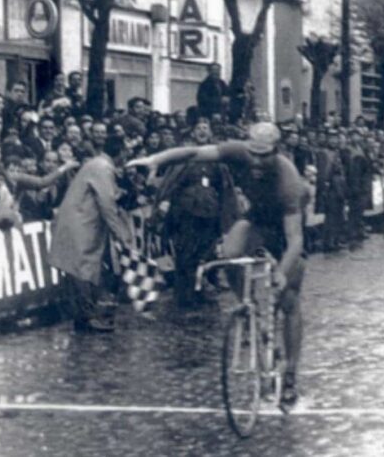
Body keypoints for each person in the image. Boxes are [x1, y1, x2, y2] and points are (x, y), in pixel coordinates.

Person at [128, 122, 307, 406]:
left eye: (265, 156)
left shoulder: (288, 179)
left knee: (289, 298)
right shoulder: (238, 152)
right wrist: (156, 159)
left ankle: (291, 375)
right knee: (229, 254)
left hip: (285, 226)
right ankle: (251, 311)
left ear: (277, 151)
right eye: (253, 154)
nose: (257, 162)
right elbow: (192, 152)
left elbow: (295, 240)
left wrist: (282, 274)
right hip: (257, 217)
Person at [50, 136, 135, 333]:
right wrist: (120, 234)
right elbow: (107, 205)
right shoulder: (102, 167)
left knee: (83, 269)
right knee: (81, 270)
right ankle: (87, 318)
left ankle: (86, 317)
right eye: (126, 151)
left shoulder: (98, 165)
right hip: (81, 224)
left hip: (81, 222)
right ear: (120, 152)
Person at [153, 118, 237, 308]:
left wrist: (226, 215)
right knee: (185, 254)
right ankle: (184, 295)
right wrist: (165, 202)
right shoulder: (184, 156)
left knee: (205, 253)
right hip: (187, 214)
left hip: (210, 213)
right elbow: (171, 183)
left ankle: (199, 289)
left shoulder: (216, 158)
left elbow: (225, 187)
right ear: (193, 133)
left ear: (209, 133)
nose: (201, 131)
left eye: (205, 128)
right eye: (198, 128)